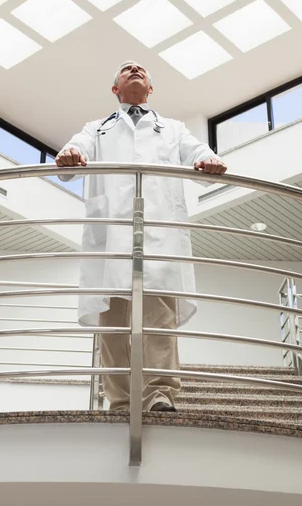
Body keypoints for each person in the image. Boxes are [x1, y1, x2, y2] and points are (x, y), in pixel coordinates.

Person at [55, 61, 227, 413]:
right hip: (112, 236)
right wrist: (71, 154)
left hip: (158, 234)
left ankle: (160, 394)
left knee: (159, 320)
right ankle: (120, 402)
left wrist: (209, 160)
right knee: (114, 324)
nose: (134, 70)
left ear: (150, 88)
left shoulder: (173, 128)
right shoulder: (97, 128)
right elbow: (74, 152)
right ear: (115, 89)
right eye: (125, 69)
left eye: (141, 70)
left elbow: (198, 153)